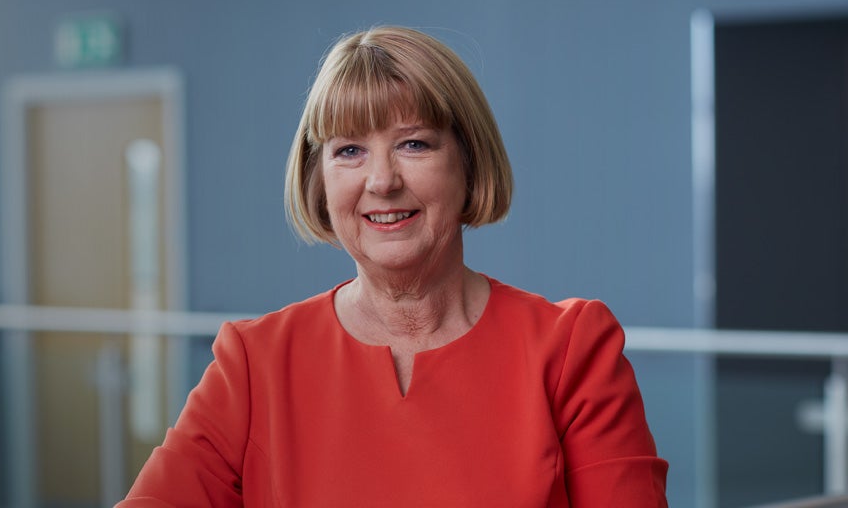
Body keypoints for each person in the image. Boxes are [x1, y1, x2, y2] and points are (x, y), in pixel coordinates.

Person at [119, 25, 668, 507]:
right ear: (319, 180)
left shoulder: (571, 351)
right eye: (349, 151)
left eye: (413, 143)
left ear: (469, 163)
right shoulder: (254, 363)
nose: (381, 181)